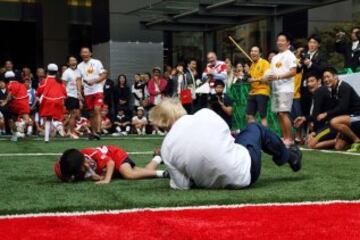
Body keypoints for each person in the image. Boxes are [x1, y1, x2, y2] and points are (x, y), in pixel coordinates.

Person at [149, 98, 302, 190]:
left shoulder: (166, 148)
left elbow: (182, 185)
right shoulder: (205, 113)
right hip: (245, 173)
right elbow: (227, 137)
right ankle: (289, 156)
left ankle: (289, 155)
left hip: (211, 185)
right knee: (255, 127)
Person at [54, 145, 168, 184]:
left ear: (83, 158)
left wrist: (106, 180)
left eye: (85, 165)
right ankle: (158, 157)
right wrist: (99, 177)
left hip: (115, 155)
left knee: (128, 174)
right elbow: (60, 170)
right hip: (111, 168)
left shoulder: (90, 152)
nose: (86, 167)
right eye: (83, 169)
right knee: (144, 172)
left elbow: (110, 163)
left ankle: (165, 173)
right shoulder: (77, 168)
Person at [317, 67, 360, 151]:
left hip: (357, 116)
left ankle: (357, 140)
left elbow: (343, 108)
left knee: (334, 121)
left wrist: (326, 114)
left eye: (328, 76)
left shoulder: (344, 87)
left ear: (335, 77)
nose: (326, 79)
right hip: (350, 119)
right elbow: (336, 110)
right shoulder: (333, 90)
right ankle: (353, 141)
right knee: (338, 147)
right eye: (324, 78)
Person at [267, 33, 297, 147]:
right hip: (275, 89)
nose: (280, 42)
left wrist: (278, 77)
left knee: (283, 113)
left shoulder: (290, 55)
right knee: (279, 114)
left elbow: (293, 71)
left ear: (288, 43)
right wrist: (265, 78)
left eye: (282, 40)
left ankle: (290, 139)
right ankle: (285, 138)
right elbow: (272, 73)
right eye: (278, 40)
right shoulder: (274, 57)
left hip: (286, 88)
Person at [294, 72, 337, 149]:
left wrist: (314, 132)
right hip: (331, 126)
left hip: (331, 127)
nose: (309, 84)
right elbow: (318, 115)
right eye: (308, 82)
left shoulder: (319, 91)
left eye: (312, 81)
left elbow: (316, 115)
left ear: (319, 81)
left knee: (310, 144)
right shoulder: (321, 91)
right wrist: (304, 118)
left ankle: (336, 140)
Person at [77, 47, 106, 140]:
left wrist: (95, 81)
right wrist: (79, 92)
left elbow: (104, 74)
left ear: (90, 54)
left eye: (86, 52)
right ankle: (93, 133)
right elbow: (78, 79)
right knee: (91, 113)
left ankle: (98, 131)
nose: (84, 54)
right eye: (83, 52)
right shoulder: (79, 66)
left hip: (97, 90)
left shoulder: (97, 62)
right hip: (87, 92)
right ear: (81, 54)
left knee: (97, 109)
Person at [37, 64, 67, 142]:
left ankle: (57, 125)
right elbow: (64, 92)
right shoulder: (59, 81)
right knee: (52, 118)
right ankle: (47, 138)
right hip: (58, 101)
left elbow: (39, 90)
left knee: (48, 118)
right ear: (57, 71)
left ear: (47, 71)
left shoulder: (45, 80)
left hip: (48, 101)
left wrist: (37, 96)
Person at [300, 34, 328, 117]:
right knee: (304, 108)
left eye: (314, 42)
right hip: (305, 86)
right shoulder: (304, 54)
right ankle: (306, 127)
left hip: (316, 86)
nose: (311, 44)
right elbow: (298, 70)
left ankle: (315, 127)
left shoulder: (322, 55)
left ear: (318, 45)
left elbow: (323, 69)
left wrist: (310, 64)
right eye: (310, 42)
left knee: (316, 107)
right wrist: (299, 65)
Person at [0, 71, 31, 141]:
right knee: (27, 120)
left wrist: (5, 101)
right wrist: (5, 101)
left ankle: (14, 135)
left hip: (14, 105)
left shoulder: (9, 85)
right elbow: (12, 95)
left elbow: (10, 94)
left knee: (13, 120)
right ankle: (21, 124)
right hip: (23, 103)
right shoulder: (21, 84)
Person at [246, 46, 271, 126]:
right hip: (252, 92)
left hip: (262, 91)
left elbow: (267, 77)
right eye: (252, 51)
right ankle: (254, 133)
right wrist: (247, 75)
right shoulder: (252, 65)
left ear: (260, 53)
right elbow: (250, 78)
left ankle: (265, 136)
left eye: (255, 51)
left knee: (262, 116)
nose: (253, 53)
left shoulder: (265, 63)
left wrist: (254, 80)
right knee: (249, 115)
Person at [61, 56, 82, 138]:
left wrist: (79, 95)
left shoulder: (78, 71)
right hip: (69, 95)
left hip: (76, 96)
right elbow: (63, 86)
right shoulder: (66, 72)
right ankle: (71, 132)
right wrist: (63, 98)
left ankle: (70, 131)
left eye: (75, 60)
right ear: (68, 63)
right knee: (72, 114)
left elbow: (79, 84)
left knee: (75, 115)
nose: (73, 62)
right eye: (71, 60)